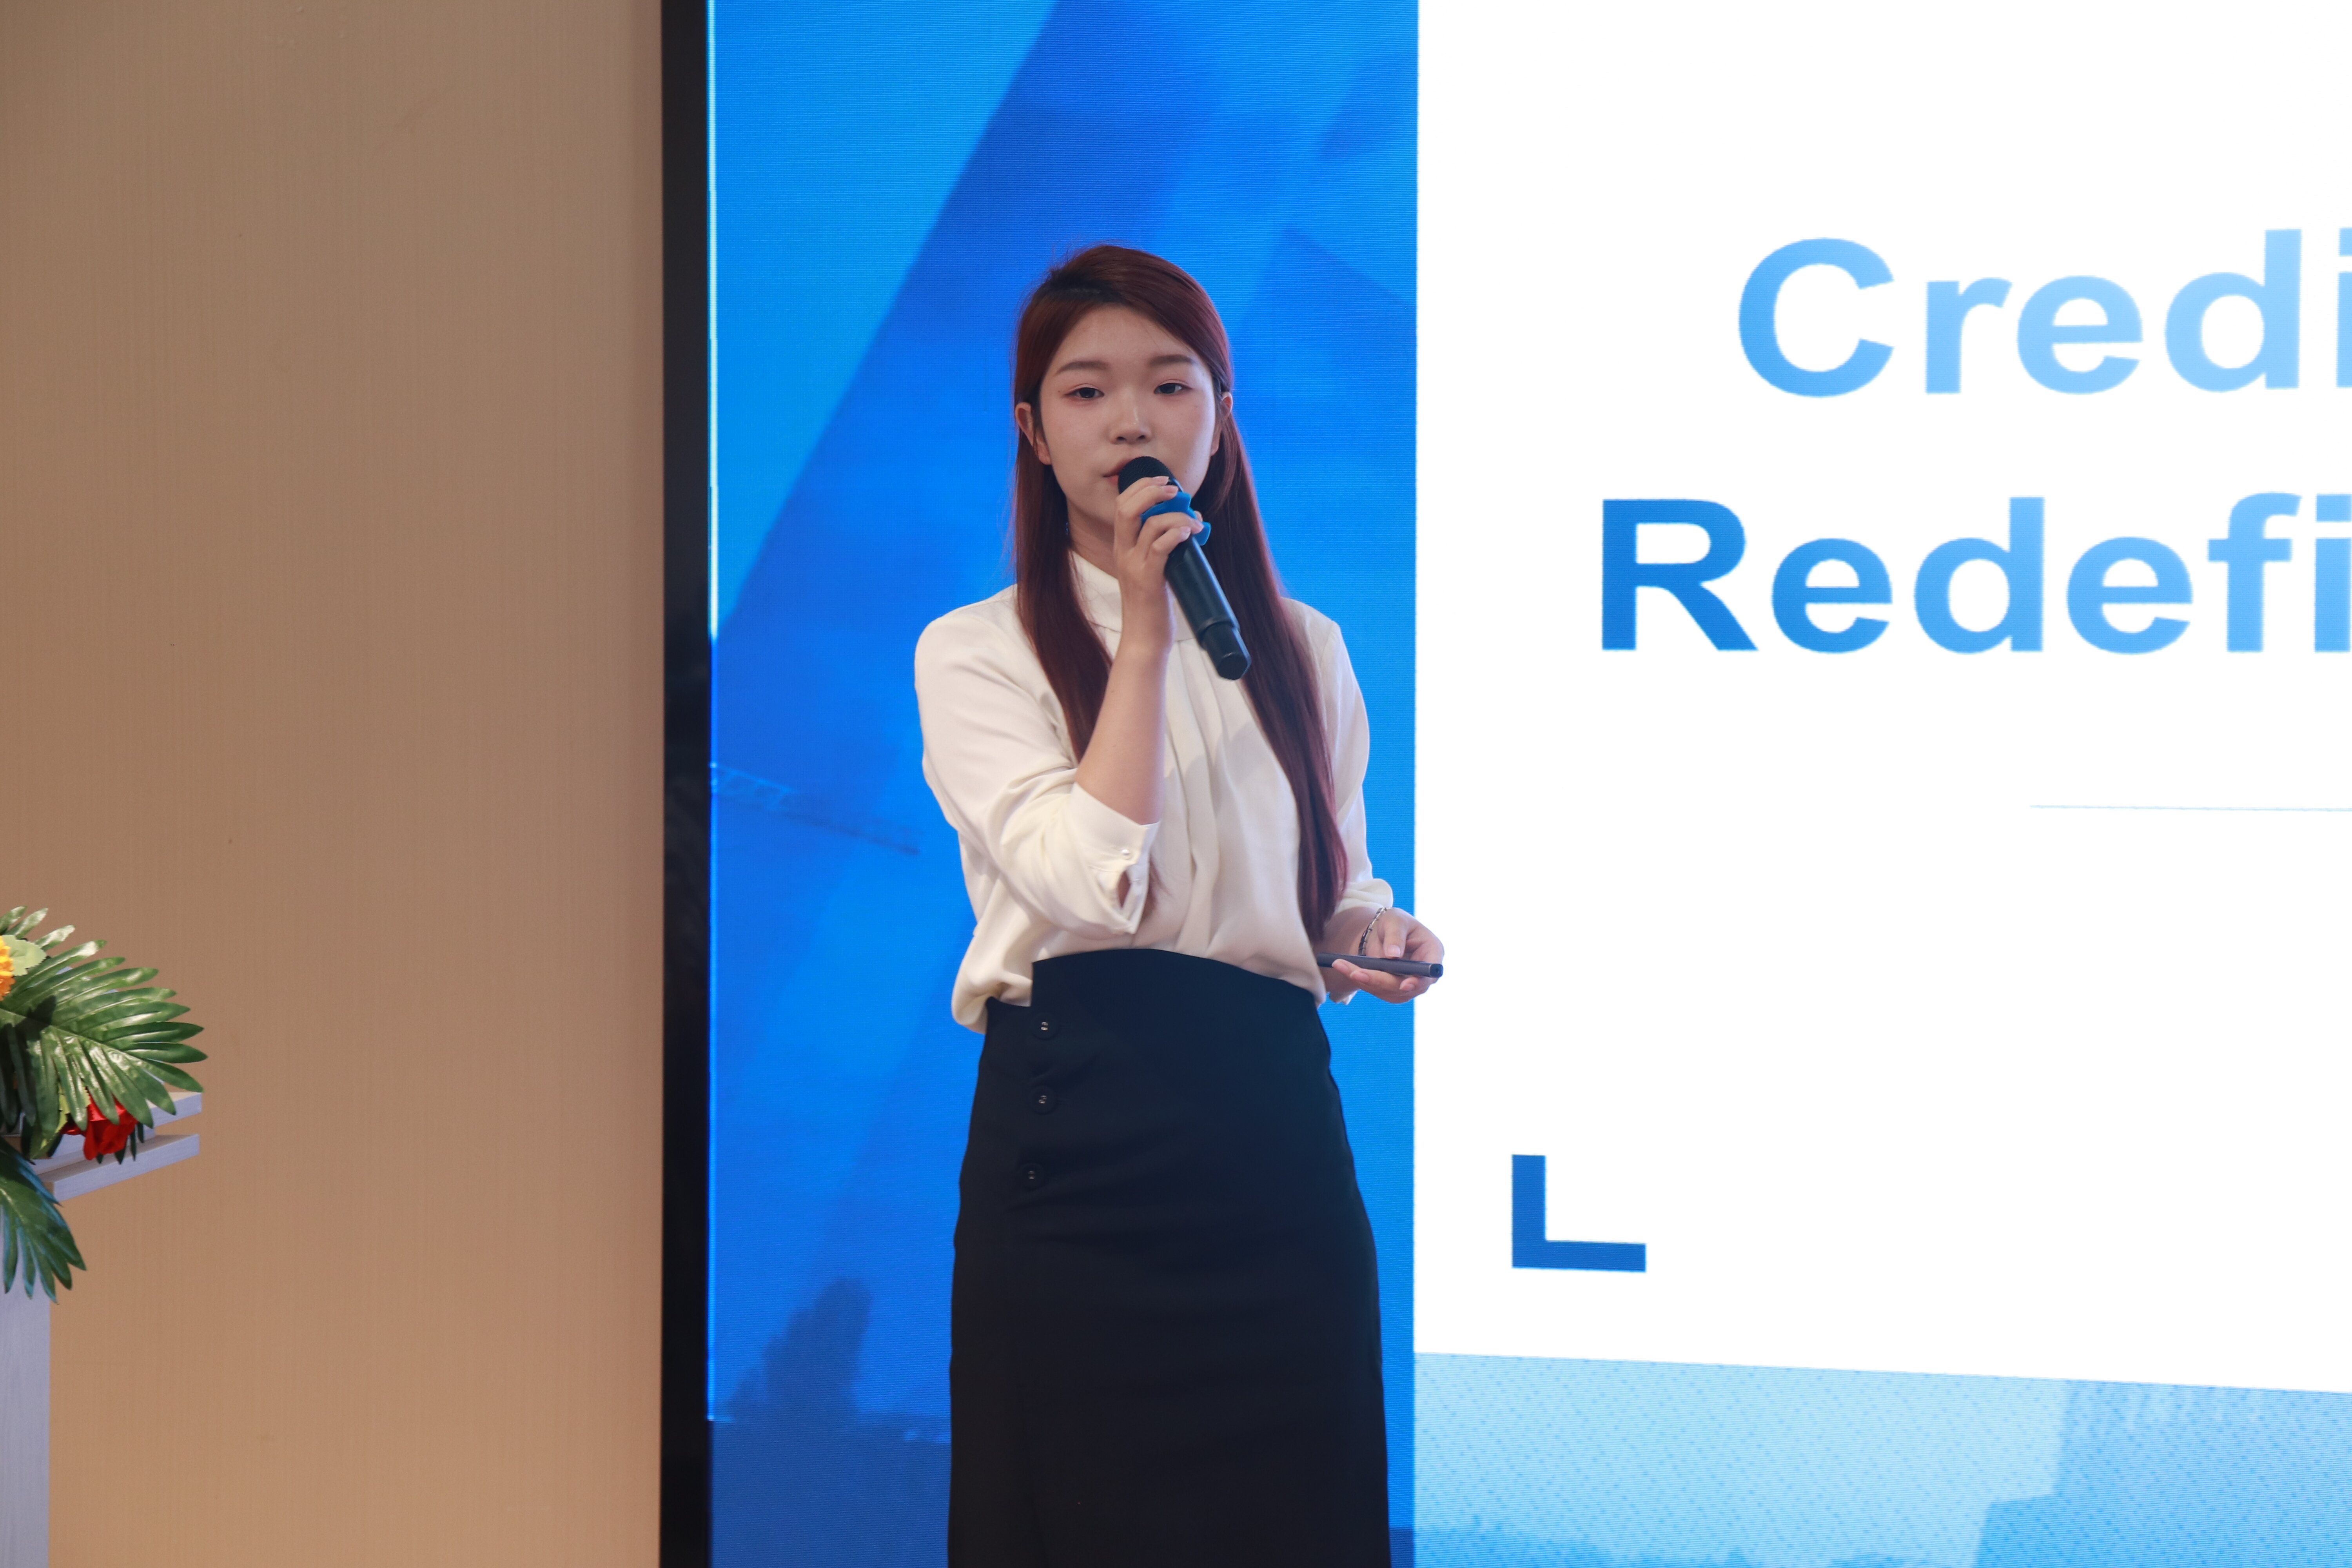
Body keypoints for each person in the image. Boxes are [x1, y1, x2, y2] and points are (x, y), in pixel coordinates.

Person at [914, 243, 1443, 1568]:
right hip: (1080, 1135)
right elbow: (1087, 875)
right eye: (1087, 392)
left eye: (1170, 384)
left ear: (1220, 415)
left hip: (1272, 1140)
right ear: (1034, 431)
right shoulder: (976, 651)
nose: (1134, 422)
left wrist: (1367, 934)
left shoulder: (1307, 648)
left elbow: (1326, 891)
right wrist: (1145, 635)